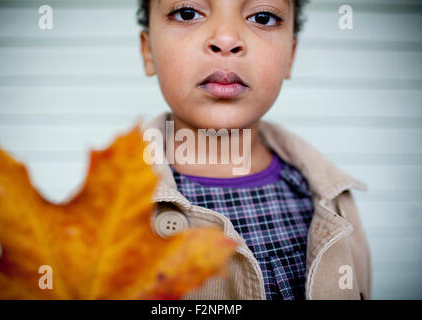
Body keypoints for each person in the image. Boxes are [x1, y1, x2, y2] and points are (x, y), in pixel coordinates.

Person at [137, 0, 371, 299]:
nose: (225, 39)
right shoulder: (107, 209)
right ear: (148, 51)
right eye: (188, 13)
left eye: (263, 17)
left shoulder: (335, 202)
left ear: (291, 56)